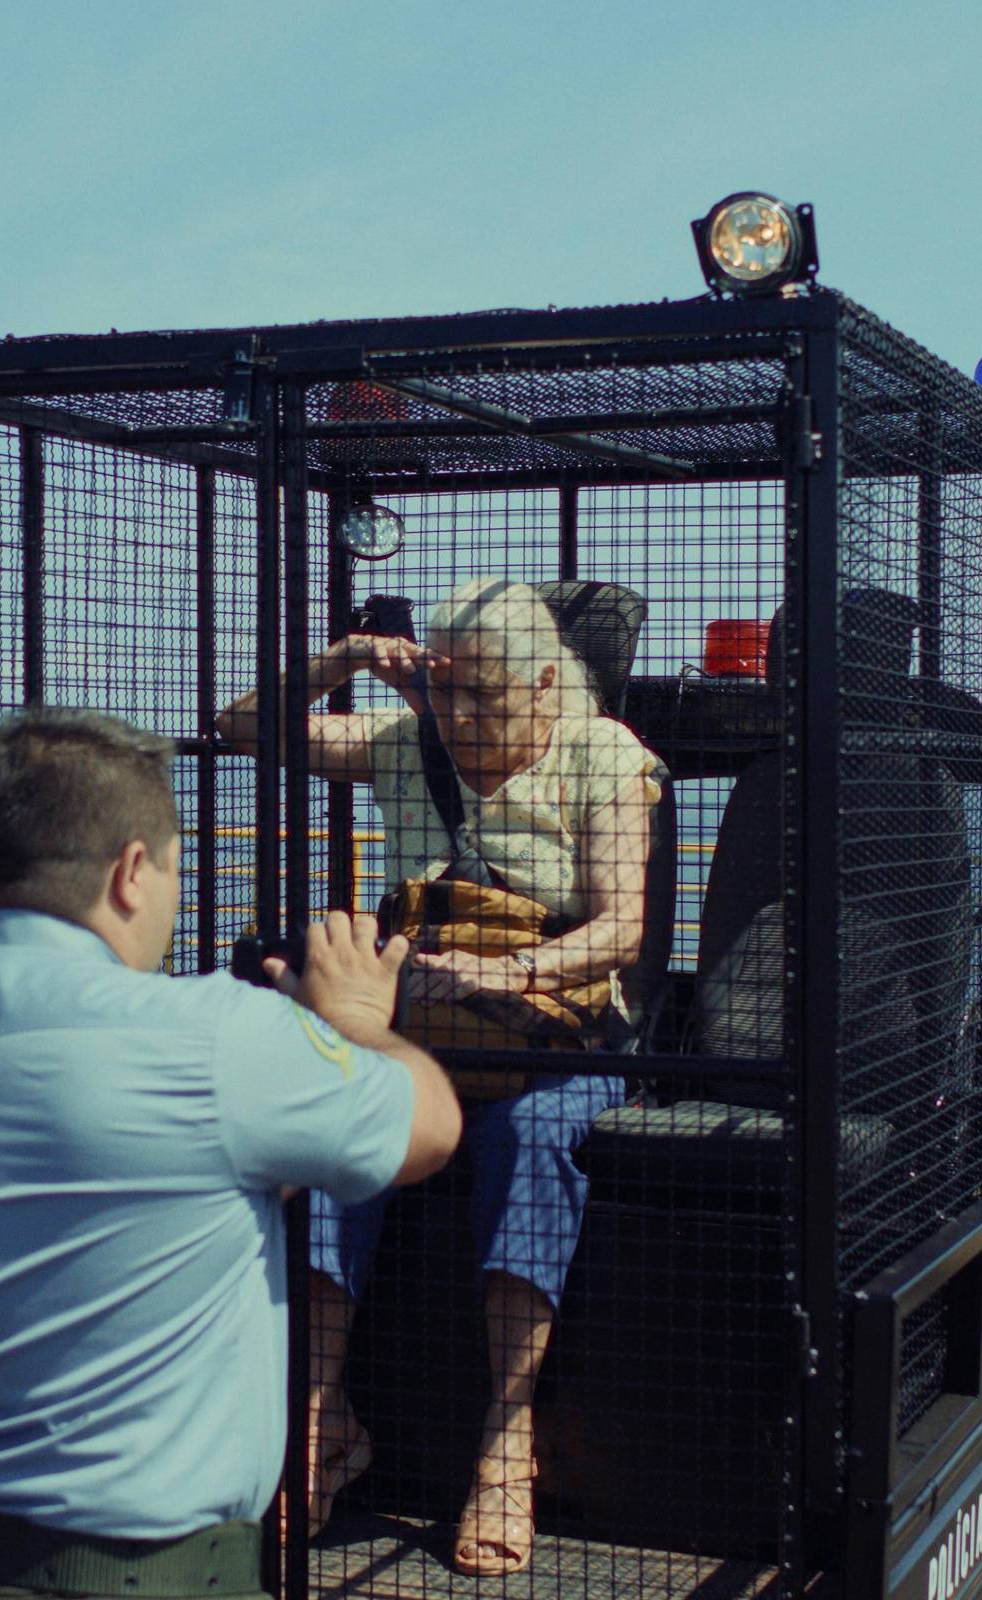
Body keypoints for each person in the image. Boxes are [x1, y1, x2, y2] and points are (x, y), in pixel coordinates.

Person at [0, 708, 461, 1600]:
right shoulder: (214, 1038)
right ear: (130, 874)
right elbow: (427, 1126)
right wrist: (349, 1021)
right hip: (136, 1575)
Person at [215, 576, 664, 1576]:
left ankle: (507, 1445)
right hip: (427, 1034)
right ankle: (323, 1418)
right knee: (338, 1133)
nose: (462, 720)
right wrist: (341, 662)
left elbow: (622, 928)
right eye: (450, 693)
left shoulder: (604, 758)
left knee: (535, 1139)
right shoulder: (401, 742)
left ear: (548, 686)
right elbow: (240, 727)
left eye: (488, 698)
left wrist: (509, 972)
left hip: (557, 1040)